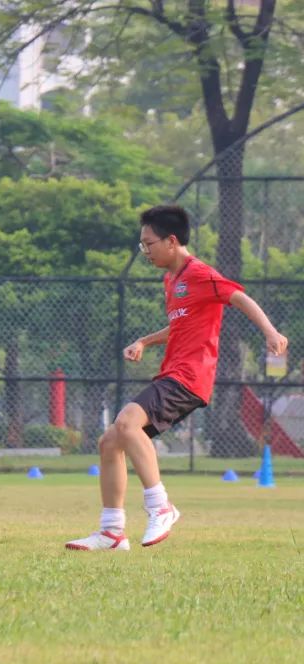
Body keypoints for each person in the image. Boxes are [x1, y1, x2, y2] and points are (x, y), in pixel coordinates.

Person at [67, 205, 288, 551]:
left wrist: (271, 333)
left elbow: (240, 298)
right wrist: (144, 340)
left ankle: (161, 506)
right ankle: (112, 532)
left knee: (127, 423)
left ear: (171, 241)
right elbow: (180, 324)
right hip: (172, 374)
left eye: (148, 244)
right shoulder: (171, 280)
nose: (145, 251)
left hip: (190, 377)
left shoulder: (200, 273)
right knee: (110, 442)